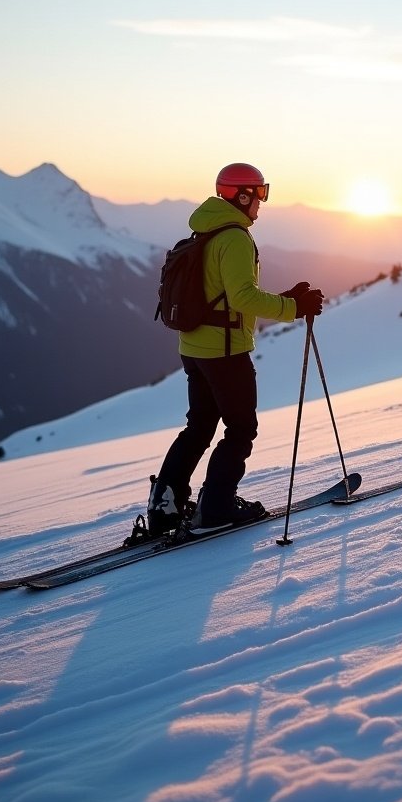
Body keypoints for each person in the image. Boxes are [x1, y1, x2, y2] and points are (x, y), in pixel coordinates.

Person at [145, 162, 324, 536]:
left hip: (193, 347)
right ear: (242, 195)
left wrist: (285, 297)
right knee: (241, 429)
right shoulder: (236, 237)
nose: (262, 201)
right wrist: (293, 308)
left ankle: (165, 505)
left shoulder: (205, 230)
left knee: (198, 427)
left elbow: (222, 292)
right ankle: (216, 509)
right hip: (225, 352)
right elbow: (242, 297)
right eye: (260, 193)